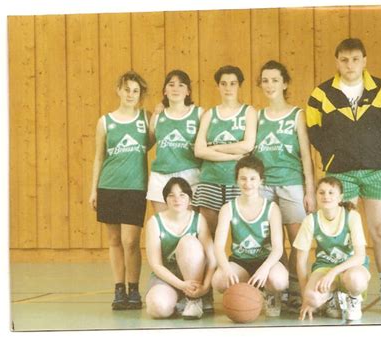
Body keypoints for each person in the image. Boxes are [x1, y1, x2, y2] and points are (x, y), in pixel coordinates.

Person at [305, 37, 381, 314]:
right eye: (344, 59)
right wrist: (335, 156)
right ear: (337, 62)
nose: (350, 64)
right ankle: (343, 294)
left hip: (378, 171)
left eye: (356, 59)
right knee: (342, 236)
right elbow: (315, 131)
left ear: (364, 60)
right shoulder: (321, 94)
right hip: (340, 174)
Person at [254, 60, 316, 313]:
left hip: (291, 184)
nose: (270, 85)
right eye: (265, 80)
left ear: (285, 83)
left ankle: (294, 287)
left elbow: (306, 155)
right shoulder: (257, 115)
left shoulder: (296, 114)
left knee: (297, 241)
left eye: (275, 80)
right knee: (269, 241)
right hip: (264, 187)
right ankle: (274, 290)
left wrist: (309, 190)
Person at [89, 70, 149, 310]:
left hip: (135, 188)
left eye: (136, 91)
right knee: (114, 240)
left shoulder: (146, 119)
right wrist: (93, 190)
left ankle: (134, 289)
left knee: (131, 241)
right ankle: (119, 288)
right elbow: (98, 158)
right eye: (127, 90)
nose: (131, 94)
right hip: (108, 185)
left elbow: (157, 142)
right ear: (119, 90)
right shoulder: (105, 121)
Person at [211, 156, 288, 317]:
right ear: (237, 180)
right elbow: (218, 247)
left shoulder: (272, 208)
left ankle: (271, 294)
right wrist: (226, 269)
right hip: (241, 261)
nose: (248, 183)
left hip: (266, 260)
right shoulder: (228, 208)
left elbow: (278, 248)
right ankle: (247, 292)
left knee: (279, 280)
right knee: (218, 280)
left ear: (261, 181)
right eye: (243, 178)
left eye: (253, 178)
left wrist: (264, 269)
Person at [295, 177, 371, 321]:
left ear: (340, 197)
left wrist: (333, 272)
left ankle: (353, 299)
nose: (326, 196)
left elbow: (360, 256)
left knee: (355, 280)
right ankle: (331, 297)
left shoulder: (352, 217)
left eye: (331, 192)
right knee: (312, 298)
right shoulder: (310, 220)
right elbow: (300, 262)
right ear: (316, 195)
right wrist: (305, 296)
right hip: (324, 266)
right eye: (321, 192)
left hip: (351, 267)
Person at [193, 65, 258, 236]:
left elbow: (247, 145)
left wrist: (214, 148)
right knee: (209, 236)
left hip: (237, 181)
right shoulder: (209, 114)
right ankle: (213, 265)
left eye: (233, 83)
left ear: (239, 86)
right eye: (223, 84)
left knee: (242, 235)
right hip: (210, 181)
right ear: (218, 86)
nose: (228, 88)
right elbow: (199, 151)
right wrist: (234, 156)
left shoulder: (248, 112)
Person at [145, 177, 216, 320]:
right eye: (171, 195)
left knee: (188, 242)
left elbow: (212, 258)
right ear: (166, 200)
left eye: (182, 195)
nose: (177, 199)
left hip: (195, 276)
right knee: (157, 308)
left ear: (189, 199)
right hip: (168, 277)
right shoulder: (154, 222)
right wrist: (181, 285)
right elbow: (156, 264)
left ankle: (193, 300)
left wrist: (206, 286)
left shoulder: (198, 219)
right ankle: (181, 302)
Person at [147, 70, 203, 213]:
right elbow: (147, 143)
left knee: (189, 227)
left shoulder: (199, 113)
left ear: (188, 91)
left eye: (181, 85)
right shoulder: (158, 116)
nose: (175, 89)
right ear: (165, 91)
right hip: (160, 175)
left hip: (190, 174)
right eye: (171, 85)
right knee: (164, 226)